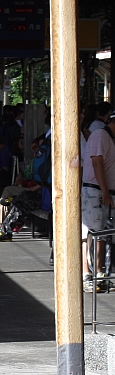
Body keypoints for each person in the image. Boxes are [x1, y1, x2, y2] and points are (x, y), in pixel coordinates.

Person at [81, 112, 115, 291]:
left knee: (102, 233)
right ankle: (87, 273)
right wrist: (105, 190)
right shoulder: (100, 135)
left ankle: (100, 272)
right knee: (90, 233)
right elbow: (97, 163)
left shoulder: (110, 138)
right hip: (95, 190)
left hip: (106, 191)